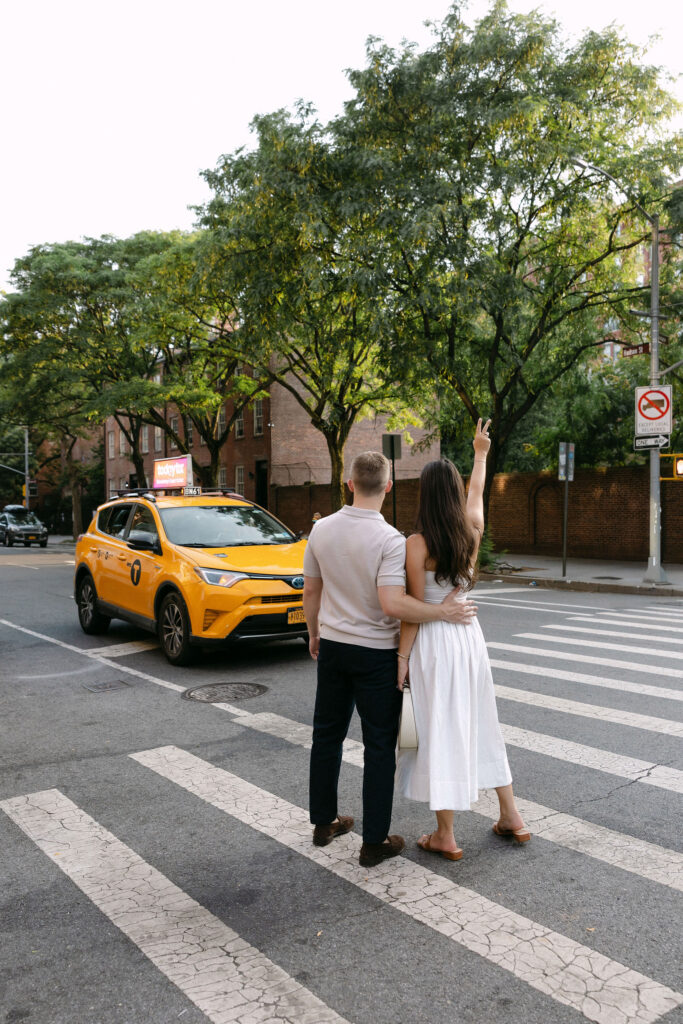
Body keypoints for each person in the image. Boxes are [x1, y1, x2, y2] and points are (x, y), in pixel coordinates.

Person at [303, 451, 478, 868]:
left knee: (326, 735)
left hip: (333, 646)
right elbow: (393, 603)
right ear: (387, 487)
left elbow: (311, 591)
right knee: (379, 747)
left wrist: (314, 634)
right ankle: (374, 841)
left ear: (349, 483)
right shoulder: (390, 540)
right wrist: (442, 612)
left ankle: (324, 822)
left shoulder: (320, 530)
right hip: (375, 653)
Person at [395, 420, 529, 860]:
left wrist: (401, 658)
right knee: (481, 724)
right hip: (470, 640)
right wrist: (480, 453)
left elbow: (414, 608)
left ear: (424, 495)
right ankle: (511, 816)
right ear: (452, 493)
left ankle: (445, 835)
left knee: (438, 731)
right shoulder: (471, 528)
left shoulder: (416, 544)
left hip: (434, 643)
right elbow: (478, 492)